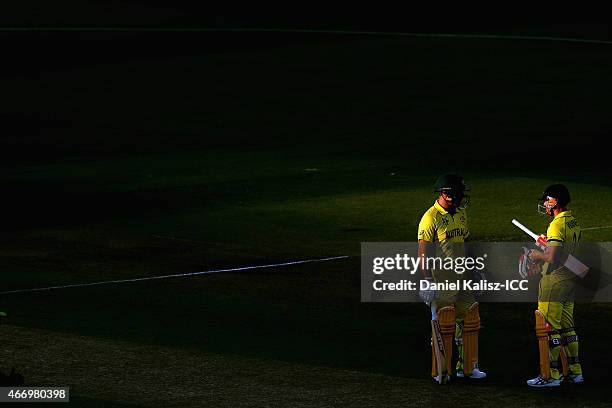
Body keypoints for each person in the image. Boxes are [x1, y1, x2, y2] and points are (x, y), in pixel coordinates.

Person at [418, 174, 486, 382]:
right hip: (443, 280)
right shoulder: (430, 217)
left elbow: (466, 243)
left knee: (471, 319)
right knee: (445, 324)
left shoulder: (462, 213)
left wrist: (475, 269)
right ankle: (440, 369)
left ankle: (467, 366)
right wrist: (427, 280)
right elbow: (423, 252)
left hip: (463, 278)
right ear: (445, 194)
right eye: (457, 194)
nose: (461, 198)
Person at [525, 184, 584, 387]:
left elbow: (552, 256)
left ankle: (550, 375)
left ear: (555, 201)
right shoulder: (573, 221)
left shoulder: (556, 225)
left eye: (547, 200)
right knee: (568, 328)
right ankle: (575, 372)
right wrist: (548, 243)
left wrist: (537, 253)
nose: (544, 204)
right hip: (570, 280)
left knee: (549, 328)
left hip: (554, 281)